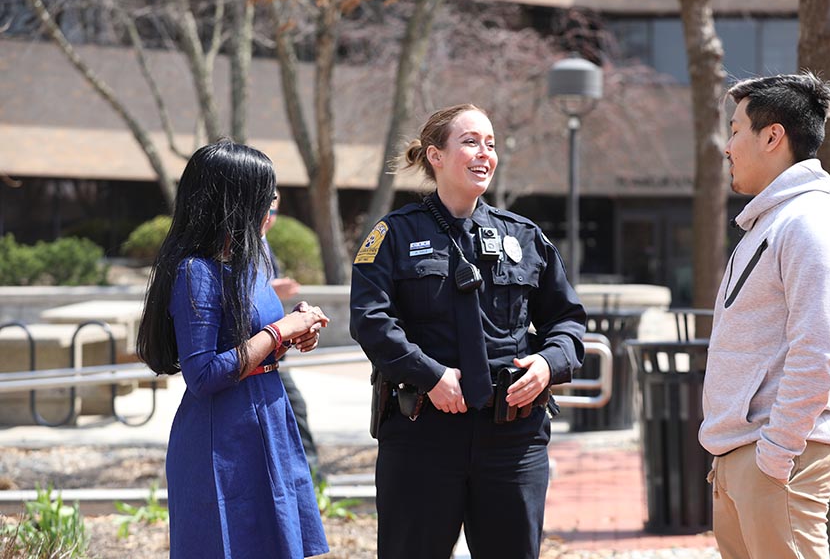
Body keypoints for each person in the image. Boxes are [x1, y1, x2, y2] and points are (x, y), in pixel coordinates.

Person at [349, 104, 586, 558]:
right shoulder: (394, 235)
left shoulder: (523, 236)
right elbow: (370, 320)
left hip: (513, 440)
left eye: (491, 144)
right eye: (471, 142)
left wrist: (547, 363)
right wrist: (430, 375)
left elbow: (567, 321)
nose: (485, 154)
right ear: (435, 156)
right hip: (423, 435)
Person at [136, 140, 330, 559]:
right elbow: (203, 375)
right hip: (221, 437)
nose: (271, 206)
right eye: (265, 195)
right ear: (234, 199)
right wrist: (280, 332)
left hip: (270, 418)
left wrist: (298, 333)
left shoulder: (255, 257)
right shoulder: (196, 272)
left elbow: (257, 336)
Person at [699, 73, 830, 558]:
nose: (727, 146)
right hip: (745, 456)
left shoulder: (811, 222)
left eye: (735, 130)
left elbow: (821, 351)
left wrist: (774, 453)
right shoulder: (771, 220)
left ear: (772, 136)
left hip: (778, 458)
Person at [262, 191, 320, 473]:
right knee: (293, 410)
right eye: (265, 211)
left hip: (274, 349)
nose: (269, 220)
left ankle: (306, 474)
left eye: (274, 213)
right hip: (256, 354)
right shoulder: (242, 247)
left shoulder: (264, 245)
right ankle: (309, 473)